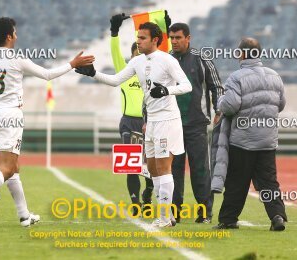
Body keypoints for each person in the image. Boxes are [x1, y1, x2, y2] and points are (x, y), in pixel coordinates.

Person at [0, 17, 94, 227]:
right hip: (11, 116)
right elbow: (47, 74)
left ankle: (24, 216)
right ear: (8, 36)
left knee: (14, 167)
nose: (16, 36)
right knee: (7, 166)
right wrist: (72, 64)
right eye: (14, 32)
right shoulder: (17, 58)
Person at [75, 21, 192, 228]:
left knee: (164, 168)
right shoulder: (137, 61)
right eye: (137, 37)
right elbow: (115, 80)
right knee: (154, 168)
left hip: (167, 120)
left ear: (155, 40)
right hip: (152, 121)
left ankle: (164, 218)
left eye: (142, 38)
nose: (138, 41)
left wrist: (167, 90)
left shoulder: (167, 60)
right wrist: (93, 73)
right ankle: (166, 216)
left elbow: (186, 85)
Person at [215, 37, 288, 231]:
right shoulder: (275, 76)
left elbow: (230, 106)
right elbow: (280, 104)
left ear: (243, 53)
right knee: (269, 182)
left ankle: (229, 219)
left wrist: (220, 100)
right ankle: (277, 216)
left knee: (237, 182)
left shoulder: (236, 77)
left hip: (243, 140)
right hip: (268, 140)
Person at [168, 22, 224, 223]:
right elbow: (151, 91)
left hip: (197, 124)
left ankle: (204, 213)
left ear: (188, 38)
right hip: (171, 124)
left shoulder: (202, 59)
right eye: (172, 37)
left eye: (178, 37)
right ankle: (174, 213)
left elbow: (216, 86)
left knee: (200, 169)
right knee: (173, 170)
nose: (174, 41)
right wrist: (147, 117)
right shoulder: (165, 59)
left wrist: (219, 109)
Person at [109, 14, 153, 216]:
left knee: (152, 164)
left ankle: (149, 194)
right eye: (135, 55)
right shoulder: (125, 71)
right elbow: (115, 52)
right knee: (131, 165)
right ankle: (135, 201)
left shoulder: (153, 74)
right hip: (128, 123)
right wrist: (114, 32)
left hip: (150, 122)